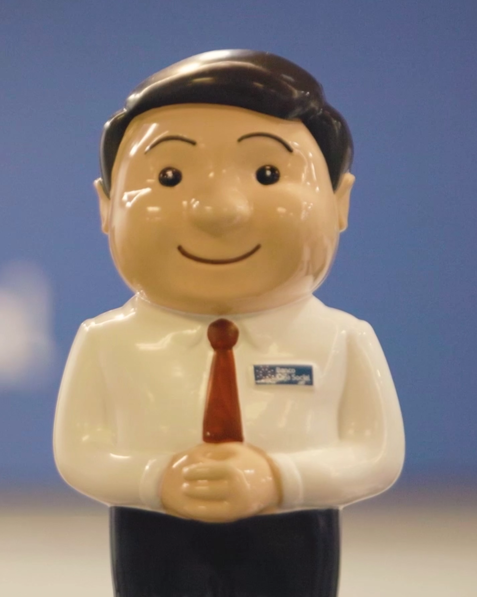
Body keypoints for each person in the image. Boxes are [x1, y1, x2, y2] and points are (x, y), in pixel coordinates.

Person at [53, 50, 404, 597]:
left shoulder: (342, 338)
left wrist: (280, 479)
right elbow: (80, 451)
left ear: (340, 201)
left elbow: (376, 455)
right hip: (154, 534)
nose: (218, 210)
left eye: (268, 174)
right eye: (169, 176)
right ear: (107, 206)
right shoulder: (107, 340)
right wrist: (155, 479)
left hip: (293, 534)